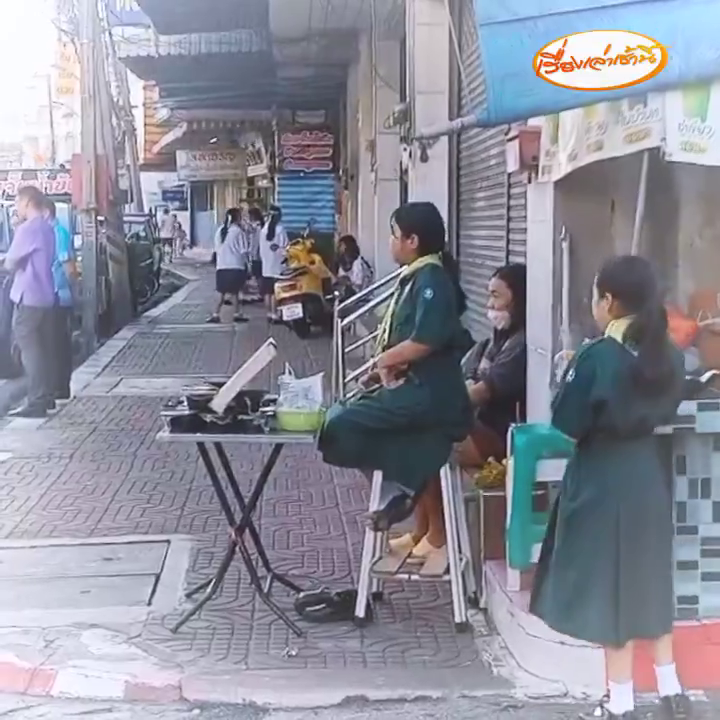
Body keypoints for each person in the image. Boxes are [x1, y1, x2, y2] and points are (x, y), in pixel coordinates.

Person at [529, 255, 690, 720]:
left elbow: (567, 423)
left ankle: (619, 704)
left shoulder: (598, 356)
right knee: (650, 581)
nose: (593, 305)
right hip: (648, 476)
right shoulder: (670, 354)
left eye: (595, 296)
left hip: (603, 479)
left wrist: (567, 372)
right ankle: (670, 691)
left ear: (610, 302)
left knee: (610, 594)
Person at [319, 201, 473, 531]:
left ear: (412, 241)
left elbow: (425, 341)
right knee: (341, 413)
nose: (390, 242)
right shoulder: (414, 278)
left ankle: (401, 488)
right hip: (413, 387)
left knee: (340, 424)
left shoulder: (432, 280)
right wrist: (380, 372)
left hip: (430, 395)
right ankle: (405, 487)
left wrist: (383, 360)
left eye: (394, 235)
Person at [389, 263, 527, 560]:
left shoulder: (521, 345)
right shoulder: (494, 341)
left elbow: (479, 391)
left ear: (518, 300)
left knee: (425, 442)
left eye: (496, 297)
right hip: (477, 426)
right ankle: (421, 530)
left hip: (503, 438)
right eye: (488, 296)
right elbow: (464, 376)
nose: (489, 304)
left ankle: (438, 534)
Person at [4, 187, 56, 418]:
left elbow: (10, 263)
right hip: (45, 294)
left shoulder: (28, 229)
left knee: (29, 350)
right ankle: (45, 396)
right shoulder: (47, 228)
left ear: (26, 202)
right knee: (42, 348)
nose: (16, 207)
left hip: (28, 295)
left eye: (17, 202)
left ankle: (36, 400)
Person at [44, 198, 77, 402]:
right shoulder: (51, 232)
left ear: (46, 212)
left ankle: (60, 387)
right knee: (55, 343)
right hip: (54, 296)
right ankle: (57, 386)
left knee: (58, 344)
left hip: (59, 296)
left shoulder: (58, 233)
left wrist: (76, 292)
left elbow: (69, 267)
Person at [207, 208, 249, 324]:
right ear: (237, 218)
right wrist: (248, 264)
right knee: (236, 291)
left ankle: (215, 314)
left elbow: (216, 249)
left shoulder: (220, 231)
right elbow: (244, 250)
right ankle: (237, 314)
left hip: (222, 267)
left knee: (221, 291)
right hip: (236, 266)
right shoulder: (238, 232)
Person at [259, 204, 289, 323]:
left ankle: (269, 314)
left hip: (266, 266)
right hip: (278, 266)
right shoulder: (280, 230)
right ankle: (276, 314)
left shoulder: (263, 229)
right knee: (276, 291)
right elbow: (286, 248)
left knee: (268, 292)